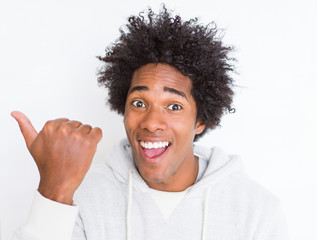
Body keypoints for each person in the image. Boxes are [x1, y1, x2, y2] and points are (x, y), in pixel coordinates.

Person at [12, 6, 288, 240]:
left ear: (201, 120)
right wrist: (55, 190)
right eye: (139, 103)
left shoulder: (255, 209)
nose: (152, 123)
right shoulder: (79, 195)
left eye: (174, 106)